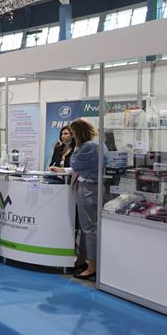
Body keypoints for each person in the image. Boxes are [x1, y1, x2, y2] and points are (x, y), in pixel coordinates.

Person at [68, 118, 105, 281]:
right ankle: (83, 260)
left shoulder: (88, 146)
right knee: (87, 227)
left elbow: (74, 164)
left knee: (89, 228)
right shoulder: (98, 143)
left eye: (73, 133)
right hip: (94, 187)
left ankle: (92, 266)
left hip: (88, 189)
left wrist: (76, 147)